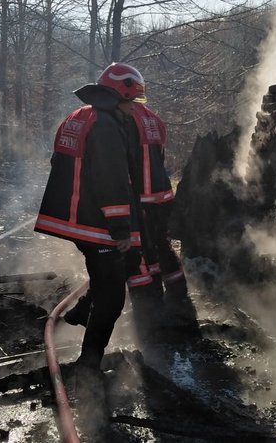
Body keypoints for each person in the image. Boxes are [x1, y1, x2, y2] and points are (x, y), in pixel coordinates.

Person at [62, 63, 197, 336]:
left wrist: (119, 215)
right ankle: (180, 305)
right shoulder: (153, 119)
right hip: (160, 200)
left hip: (136, 202)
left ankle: (149, 319)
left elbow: (119, 170)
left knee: (137, 261)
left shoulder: (117, 121)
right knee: (163, 252)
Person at [34, 62, 146, 373]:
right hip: (98, 225)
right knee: (111, 300)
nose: (133, 109)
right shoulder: (107, 126)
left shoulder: (79, 116)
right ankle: (89, 364)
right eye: (130, 102)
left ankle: (78, 314)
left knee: (118, 271)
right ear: (115, 96)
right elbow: (110, 180)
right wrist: (121, 230)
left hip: (79, 220)